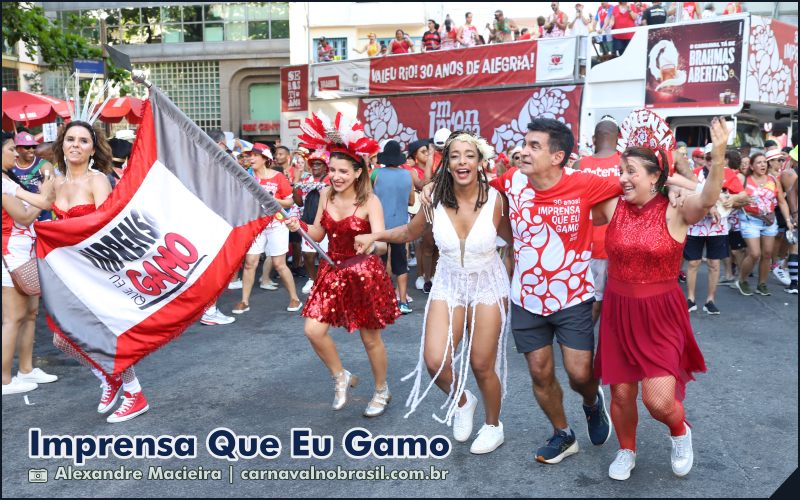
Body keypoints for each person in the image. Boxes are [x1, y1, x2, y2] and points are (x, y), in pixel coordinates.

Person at [355, 131, 512, 454]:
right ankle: (463, 400)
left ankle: (493, 425)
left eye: (469, 155)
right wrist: (376, 235)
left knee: (483, 365)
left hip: (488, 284)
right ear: (447, 162)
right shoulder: (432, 199)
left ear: (480, 161)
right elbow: (408, 232)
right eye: (455, 156)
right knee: (435, 361)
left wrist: (507, 285)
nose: (462, 161)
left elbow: (512, 244)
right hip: (448, 282)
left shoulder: (497, 199)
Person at [592, 116, 730, 481]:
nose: (623, 177)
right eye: (621, 169)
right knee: (621, 395)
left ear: (655, 176)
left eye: (632, 171)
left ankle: (680, 431)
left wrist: (716, 159)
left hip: (660, 314)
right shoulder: (611, 205)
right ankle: (626, 448)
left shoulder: (676, 207)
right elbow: (581, 192)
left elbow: (709, 197)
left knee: (658, 401)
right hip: (618, 311)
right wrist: (628, 176)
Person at [489, 118, 616, 464]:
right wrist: (429, 189)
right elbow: (474, 189)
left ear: (558, 156)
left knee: (579, 375)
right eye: (524, 143)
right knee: (540, 373)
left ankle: (592, 402)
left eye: (534, 146)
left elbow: (635, 192)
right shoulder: (511, 181)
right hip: (527, 298)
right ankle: (563, 434)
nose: (523, 151)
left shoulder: (585, 183)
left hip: (573, 297)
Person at [286, 111, 400, 418]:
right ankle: (341, 375)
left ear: (358, 172)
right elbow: (318, 233)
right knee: (312, 330)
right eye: (332, 170)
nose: (335, 176)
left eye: (343, 171)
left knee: (369, 337)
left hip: (363, 273)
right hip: (331, 271)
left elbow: (384, 243)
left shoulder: (369, 202)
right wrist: (298, 226)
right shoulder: (324, 194)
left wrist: (370, 241)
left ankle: (381, 390)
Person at [48, 120, 149, 423]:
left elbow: (107, 228)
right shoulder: (55, 182)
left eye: (83, 140)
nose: (75, 145)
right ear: (61, 144)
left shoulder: (98, 181)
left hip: (97, 268)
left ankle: (134, 392)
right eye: (70, 139)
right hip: (68, 271)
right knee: (63, 340)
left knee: (106, 334)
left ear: (93, 148)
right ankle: (110, 376)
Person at [2, 131, 59, 395]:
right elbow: (24, 217)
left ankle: (26, 370)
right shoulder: (3, 182)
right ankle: (4, 380)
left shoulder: (8, 179)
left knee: (30, 314)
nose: (17, 154)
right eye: (11, 149)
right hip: (10, 255)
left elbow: (35, 205)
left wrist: (41, 195)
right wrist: (42, 193)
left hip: (25, 251)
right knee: (13, 318)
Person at [232, 144, 302, 314]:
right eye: (249, 156)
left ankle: (294, 298)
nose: (251, 159)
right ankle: (244, 301)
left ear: (265, 158)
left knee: (279, 264)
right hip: (256, 225)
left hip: (276, 225)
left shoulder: (278, 177)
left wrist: (271, 199)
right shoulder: (247, 177)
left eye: (255, 155)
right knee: (250, 263)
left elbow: (290, 202)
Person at [683, 144, 747, 314]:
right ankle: (690, 298)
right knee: (693, 262)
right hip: (696, 224)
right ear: (704, 159)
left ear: (722, 159)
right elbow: (686, 194)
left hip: (718, 226)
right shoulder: (695, 175)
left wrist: (732, 198)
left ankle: (710, 300)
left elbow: (743, 195)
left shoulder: (729, 174)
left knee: (714, 263)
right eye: (708, 158)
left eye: (714, 157)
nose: (711, 161)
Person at [573, 118, 621, 325]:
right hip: (622, 243)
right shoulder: (627, 163)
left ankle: (584, 342)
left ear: (594, 139)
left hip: (587, 245)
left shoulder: (579, 165)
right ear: (618, 139)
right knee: (621, 300)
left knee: (592, 298)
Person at [735, 153, 795, 296]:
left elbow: (781, 201)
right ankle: (742, 280)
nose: (762, 165)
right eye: (758, 162)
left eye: (764, 162)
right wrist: (744, 202)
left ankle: (761, 284)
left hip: (770, 221)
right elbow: (734, 202)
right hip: (750, 220)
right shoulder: (744, 180)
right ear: (751, 166)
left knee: (767, 254)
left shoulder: (773, 180)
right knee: (755, 253)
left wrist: (788, 220)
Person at [372, 141, 414, 315]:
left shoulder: (375, 173)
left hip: (379, 226)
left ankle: (381, 301)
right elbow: (411, 201)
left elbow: (368, 196)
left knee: (379, 264)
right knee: (401, 265)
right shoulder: (407, 175)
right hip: (400, 227)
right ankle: (403, 302)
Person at [294, 151, 331, 295]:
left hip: (326, 224)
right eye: (313, 164)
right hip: (309, 222)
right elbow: (299, 202)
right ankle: (313, 280)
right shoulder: (306, 181)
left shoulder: (330, 179)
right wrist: (296, 186)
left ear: (325, 167)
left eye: (318, 164)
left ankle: (328, 280)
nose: (315, 166)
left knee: (328, 256)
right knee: (308, 256)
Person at [13, 131, 55, 221]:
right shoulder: (10, 165)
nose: (31, 150)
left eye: (34, 146)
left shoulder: (44, 165)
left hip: (42, 216)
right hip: (18, 215)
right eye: (27, 147)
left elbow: (50, 189)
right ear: (17, 149)